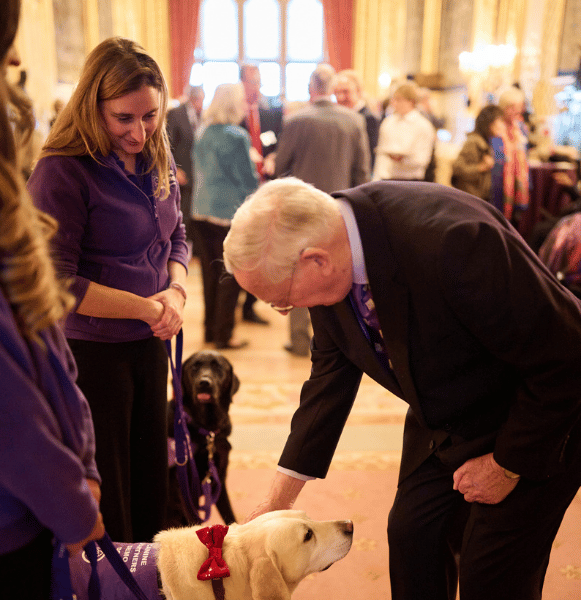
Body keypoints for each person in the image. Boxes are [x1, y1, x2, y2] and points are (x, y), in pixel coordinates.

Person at [223, 176, 581, 600]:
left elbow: (568, 355)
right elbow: (329, 380)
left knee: (491, 575)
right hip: (444, 413)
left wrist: (505, 463)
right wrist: (276, 501)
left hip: (534, 415)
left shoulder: (454, 241)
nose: (285, 311)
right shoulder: (327, 252)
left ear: (315, 260)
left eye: (280, 299)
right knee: (413, 539)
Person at [27, 37, 189, 543]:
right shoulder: (62, 170)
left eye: (151, 116)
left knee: (150, 480)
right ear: (91, 105)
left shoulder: (157, 153)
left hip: (148, 342)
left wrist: (177, 292)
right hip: (90, 352)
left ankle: (149, 579)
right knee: (111, 490)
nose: (140, 132)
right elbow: (55, 278)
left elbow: (177, 236)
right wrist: (147, 307)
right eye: (124, 119)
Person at [0, 0, 104, 597]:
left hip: (32, 511)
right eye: (0, 49)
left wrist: (83, 460)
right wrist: (72, 499)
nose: (15, 59)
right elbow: (1, 406)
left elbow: (48, 350)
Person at [274, 63, 370, 356]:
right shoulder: (353, 121)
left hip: (301, 209)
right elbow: (362, 173)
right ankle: (339, 341)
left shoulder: (295, 120)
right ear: (330, 89)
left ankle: (301, 341)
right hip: (338, 211)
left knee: (299, 271)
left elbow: (280, 168)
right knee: (337, 271)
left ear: (310, 89)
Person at [192, 82, 259, 350]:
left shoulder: (202, 131)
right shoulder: (236, 136)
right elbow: (246, 179)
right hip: (227, 212)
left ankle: (210, 329)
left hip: (200, 208)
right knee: (230, 275)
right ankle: (224, 334)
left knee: (209, 274)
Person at [239, 63, 284, 325]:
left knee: (260, 247)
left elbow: (276, 141)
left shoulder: (269, 113)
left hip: (265, 184)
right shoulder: (233, 114)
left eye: (258, 82)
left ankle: (250, 303)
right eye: (251, 82)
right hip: (240, 188)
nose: (256, 87)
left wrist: (273, 156)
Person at [167, 85, 205, 254]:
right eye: (199, 100)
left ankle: (190, 249)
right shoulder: (176, 114)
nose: (201, 104)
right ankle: (179, 249)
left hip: (196, 173)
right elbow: (168, 145)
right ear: (193, 99)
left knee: (192, 212)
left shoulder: (201, 116)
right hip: (181, 172)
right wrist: (175, 169)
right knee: (181, 212)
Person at [373, 82, 436, 181]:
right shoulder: (388, 122)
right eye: (393, 99)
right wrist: (376, 179)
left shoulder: (423, 125)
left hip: (411, 179)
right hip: (387, 178)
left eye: (398, 100)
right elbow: (380, 156)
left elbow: (423, 160)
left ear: (411, 101)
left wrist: (402, 159)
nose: (394, 103)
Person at [491, 86, 530, 226]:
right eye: (511, 107)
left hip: (518, 182)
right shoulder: (494, 127)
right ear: (504, 107)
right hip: (498, 181)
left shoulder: (521, 128)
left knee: (515, 223)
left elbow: (525, 155)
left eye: (518, 107)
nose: (516, 111)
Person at [452, 104, 506, 202]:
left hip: (479, 199)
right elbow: (457, 169)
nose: (503, 125)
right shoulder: (474, 142)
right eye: (500, 121)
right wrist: (480, 167)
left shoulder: (487, 141)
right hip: (471, 200)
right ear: (490, 122)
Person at [334, 68, 380, 171]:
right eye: (337, 92)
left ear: (358, 91)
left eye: (345, 92)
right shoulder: (339, 116)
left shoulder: (368, 118)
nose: (340, 97)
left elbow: (369, 156)